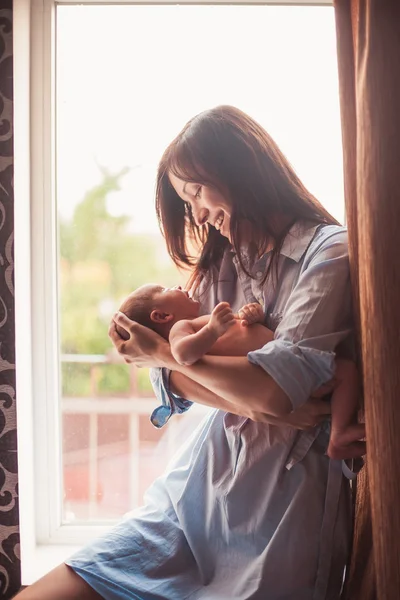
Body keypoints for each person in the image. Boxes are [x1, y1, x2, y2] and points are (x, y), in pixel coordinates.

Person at [16, 105, 364, 600]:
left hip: (276, 516)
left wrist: (164, 355)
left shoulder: (329, 253)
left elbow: (273, 393)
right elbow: (182, 384)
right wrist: (183, 365)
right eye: (187, 200)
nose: (197, 214)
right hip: (193, 495)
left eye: (197, 192)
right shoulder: (227, 261)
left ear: (240, 170)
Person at [117, 283, 365, 457]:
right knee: (345, 372)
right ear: (161, 315)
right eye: (166, 289)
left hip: (282, 363)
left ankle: (339, 432)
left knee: (344, 371)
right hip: (268, 371)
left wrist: (251, 314)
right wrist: (212, 329)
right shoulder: (181, 329)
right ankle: (340, 432)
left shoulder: (200, 321)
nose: (179, 287)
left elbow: (239, 328)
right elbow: (182, 355)